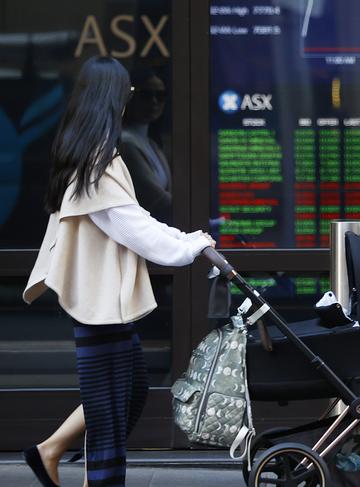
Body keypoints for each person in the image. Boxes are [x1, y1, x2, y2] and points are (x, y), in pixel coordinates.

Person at [21, 56, 216, 487]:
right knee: (109, 408)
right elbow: (135, 229)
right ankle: (95, 478)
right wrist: (192, 245)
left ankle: (50, 450)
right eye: (128, 93)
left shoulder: (86, 154)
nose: (132, 101)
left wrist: (190, 240)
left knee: (128, 392)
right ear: (113, 98)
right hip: (99, 303)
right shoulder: (96, 163)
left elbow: (132, 219)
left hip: (103, 301)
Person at [120, 66, 172, 222]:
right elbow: (159, 201)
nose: (154, 101)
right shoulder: (126, 144)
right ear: (130, 98)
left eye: (161, 95)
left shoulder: (151, 143)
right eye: (146, 95)